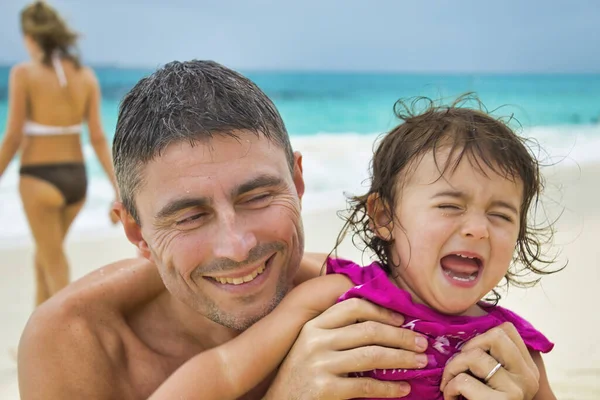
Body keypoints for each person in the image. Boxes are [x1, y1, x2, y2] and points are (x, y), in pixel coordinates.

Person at [17, 61, 542, 399]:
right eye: (189, 215)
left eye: (258, 196)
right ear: (135, 232)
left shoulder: (343, 302)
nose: (238, 245)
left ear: (297, 180)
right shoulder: (77, 340)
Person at [145, 97, 560, 399]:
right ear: (384, 218)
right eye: (450, 206)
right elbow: (222, 369)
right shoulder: (335, 297)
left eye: (501, 215)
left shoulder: (513, 347)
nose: (477, 229)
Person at [0, 1, 118, 306]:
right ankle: (33, 346)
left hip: (39, 179)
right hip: (77, 181)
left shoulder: (23, 74)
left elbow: (12, 137)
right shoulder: (86, 76)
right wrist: (118, 188)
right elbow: (98, 137)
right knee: (43, 259)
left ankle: (73, 343)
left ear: (30, 36)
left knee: (54, 265)